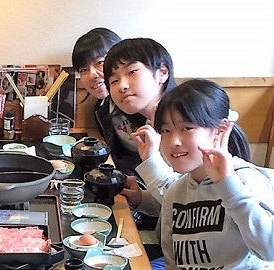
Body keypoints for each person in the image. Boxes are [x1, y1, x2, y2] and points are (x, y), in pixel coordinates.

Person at [149, 79, 274, 270]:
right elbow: (175, 267)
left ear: (219, 131)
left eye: (186, 128)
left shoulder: (246, 179)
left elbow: (269, 249)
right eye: (166, 131)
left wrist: (227, 184)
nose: (174, 141)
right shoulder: (176, 192)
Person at [106, 39, 252, 212]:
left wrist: (151, 162)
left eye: (132, 72)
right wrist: (141, 199)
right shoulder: (152, 125)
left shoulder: (205, 129)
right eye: (114, 81)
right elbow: (178, 205)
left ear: (163, 72)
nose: (122, 86)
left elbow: (202, 204)